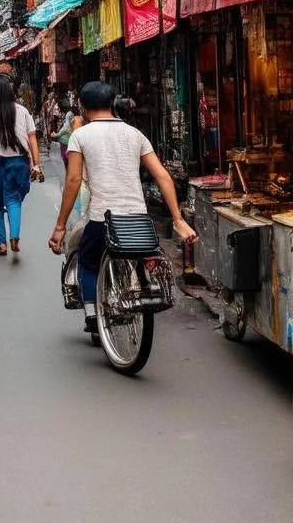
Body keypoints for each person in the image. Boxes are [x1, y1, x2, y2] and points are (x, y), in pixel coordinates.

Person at [48, 81, 197, 334]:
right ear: (111, 104)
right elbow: (162, 175)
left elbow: (73, 180)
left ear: (83, 107)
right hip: (137, 218)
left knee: (87, 260)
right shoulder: (134, 133)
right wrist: (177, 218)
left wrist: (60, 226)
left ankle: (93, 313)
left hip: (101, 218)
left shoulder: (80, 135)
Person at [0, 76, 44, 256]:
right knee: (14, 199)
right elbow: (32, 138)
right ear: (11, 91)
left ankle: (1, 243)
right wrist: (37, 164)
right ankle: (14, 235)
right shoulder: (22, 111)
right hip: (19, 162)